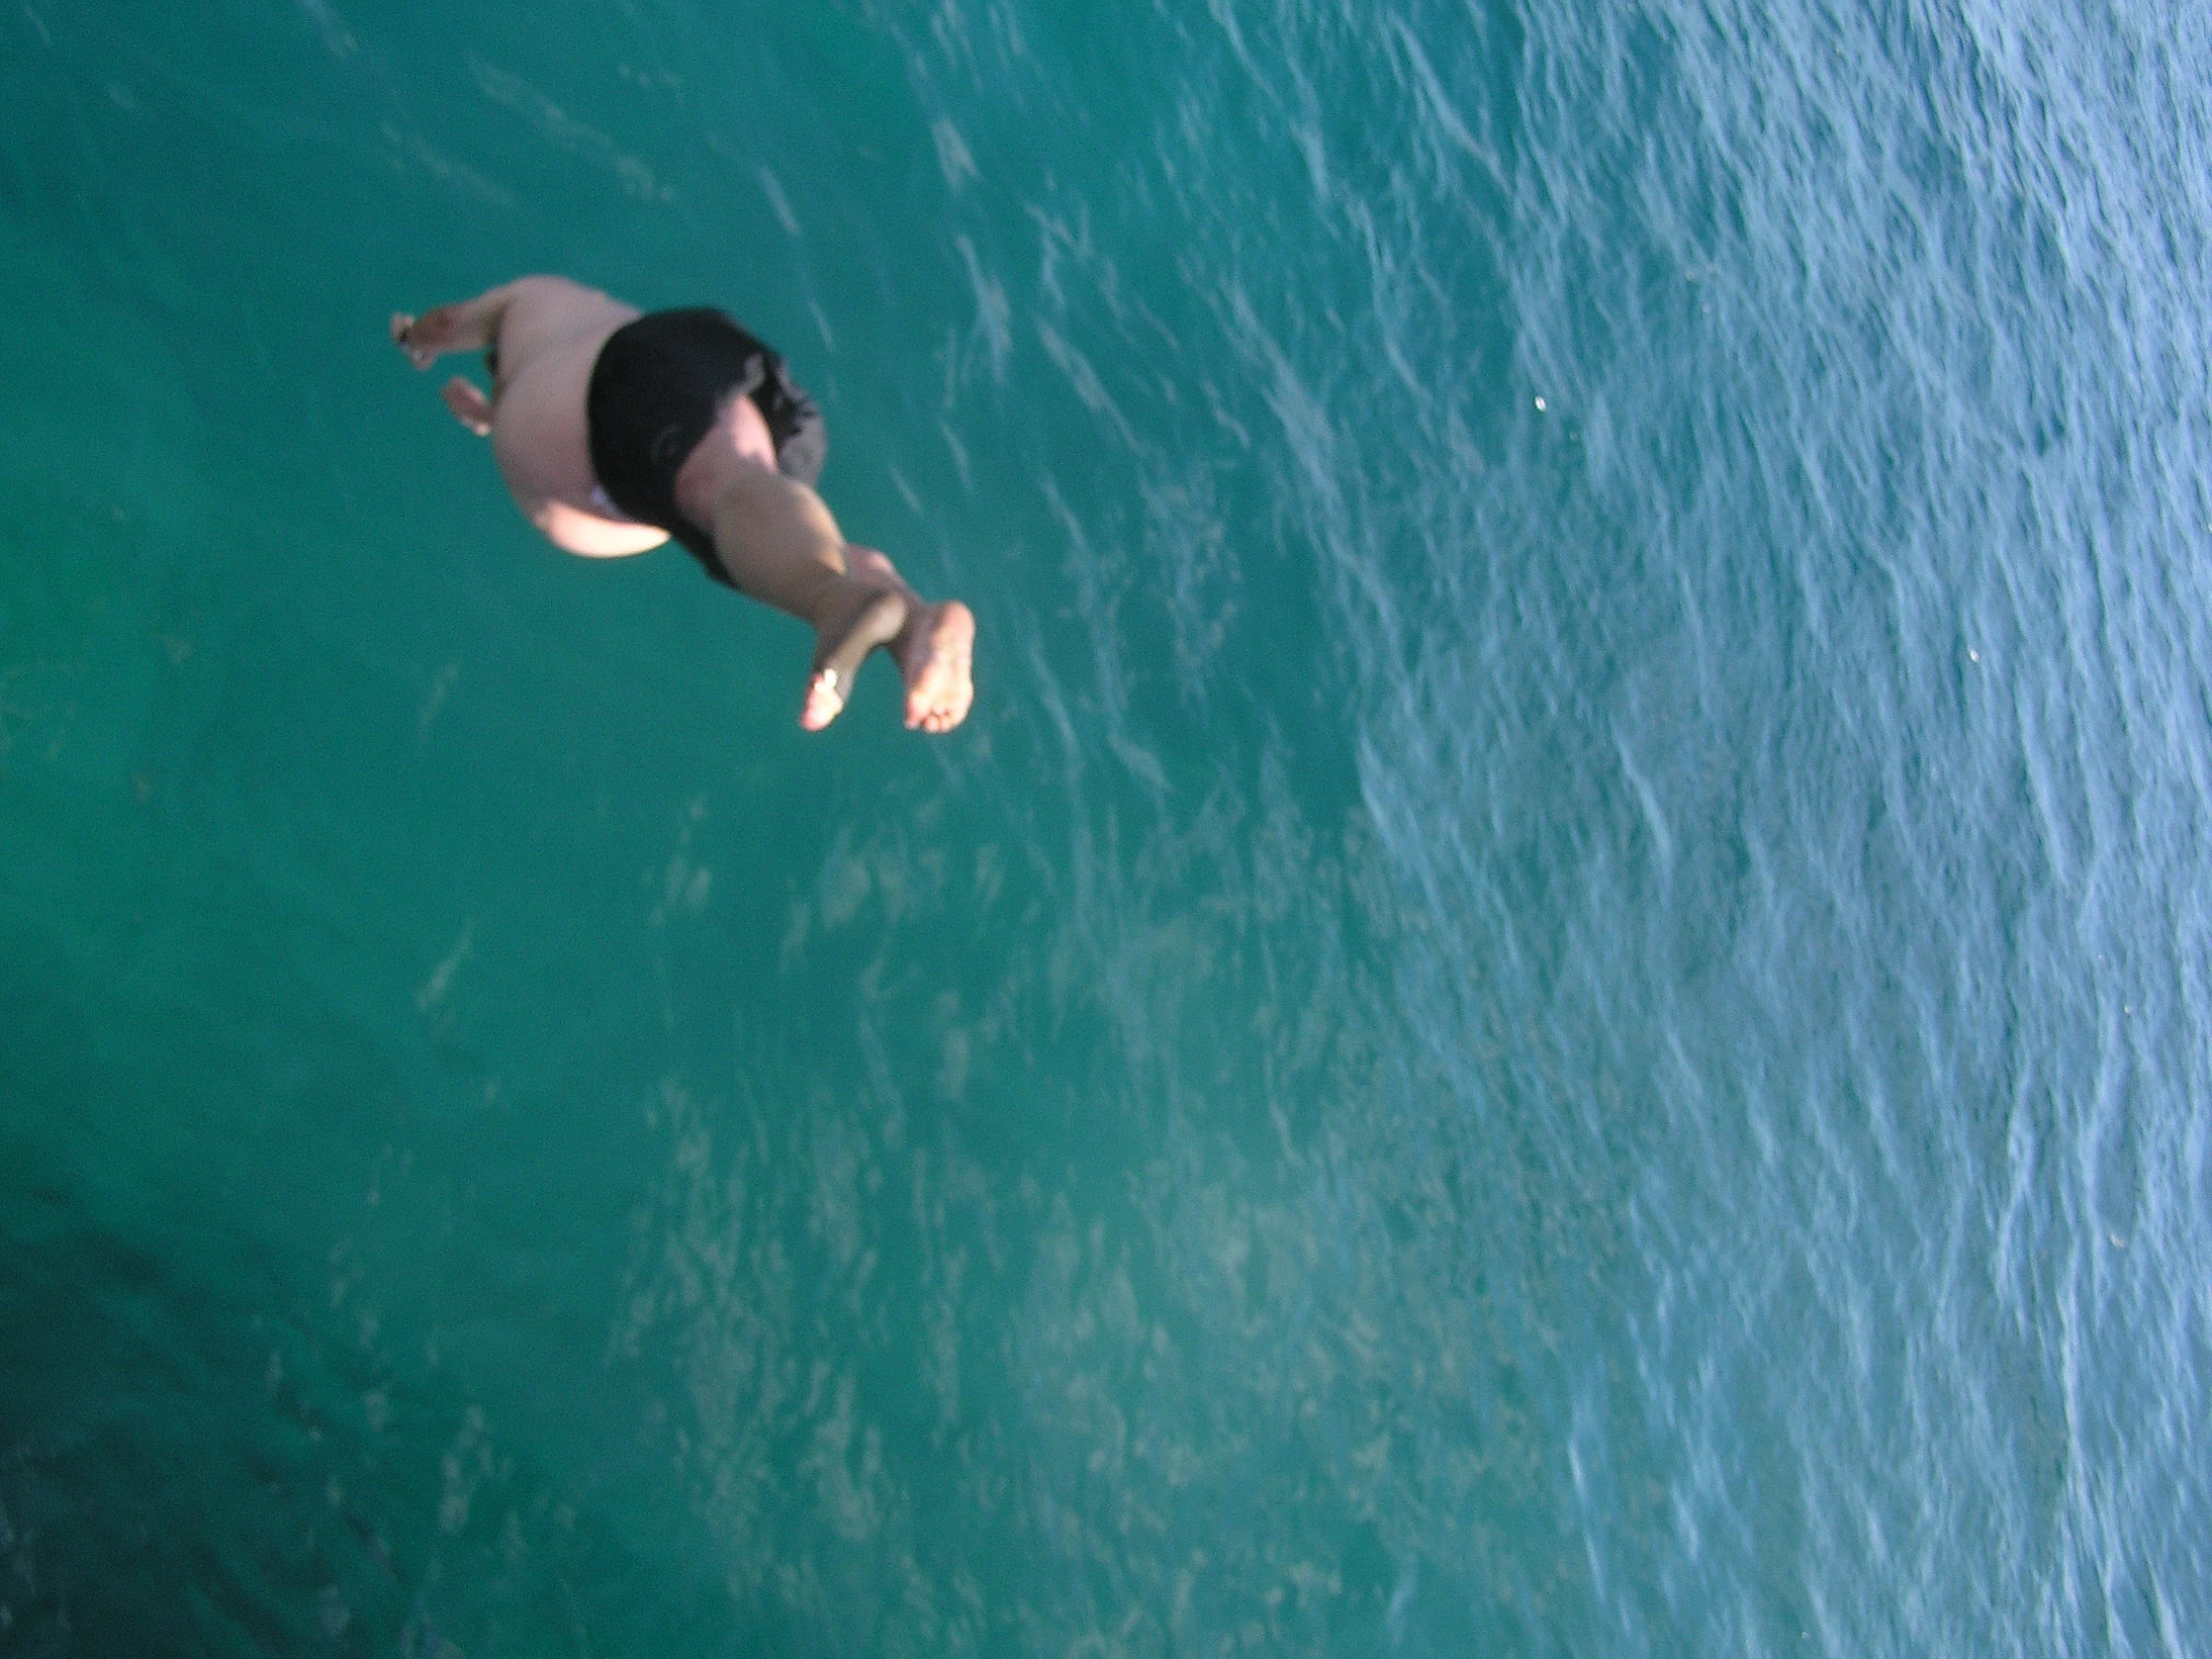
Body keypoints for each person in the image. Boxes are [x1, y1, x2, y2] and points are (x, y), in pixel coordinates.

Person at [390, 276, 973, 733]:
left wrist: (414, 341)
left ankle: (834, 604)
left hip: (636, 395)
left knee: (727, 488)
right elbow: (508, 357)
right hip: (708, 368)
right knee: (789, 526)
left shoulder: (525, 320)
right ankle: (910, 621)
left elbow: (447, 324)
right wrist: (494, 412)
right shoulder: (551, 305)